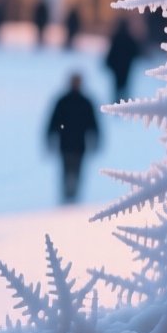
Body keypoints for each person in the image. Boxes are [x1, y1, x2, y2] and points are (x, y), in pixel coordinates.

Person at [46, 72, 101, 204]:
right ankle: (67, 195)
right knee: (67, 169)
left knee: (76, 170)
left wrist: (96, 138)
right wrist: (50, 136)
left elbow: (93, 124)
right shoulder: (63, 101)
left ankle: (73, 195)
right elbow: (53, 121)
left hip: (78, 145)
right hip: (66, 144)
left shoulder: (84, 102)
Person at [104, 18, 140, 102]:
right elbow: (135, 51)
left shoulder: (116, 37)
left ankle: (117, 100)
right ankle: (124, 101)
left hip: (116, 66)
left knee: (117, 84)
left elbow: (112, 51)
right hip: (126, 66)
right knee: (125, 84)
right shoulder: (129, 38)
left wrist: (109, 61)